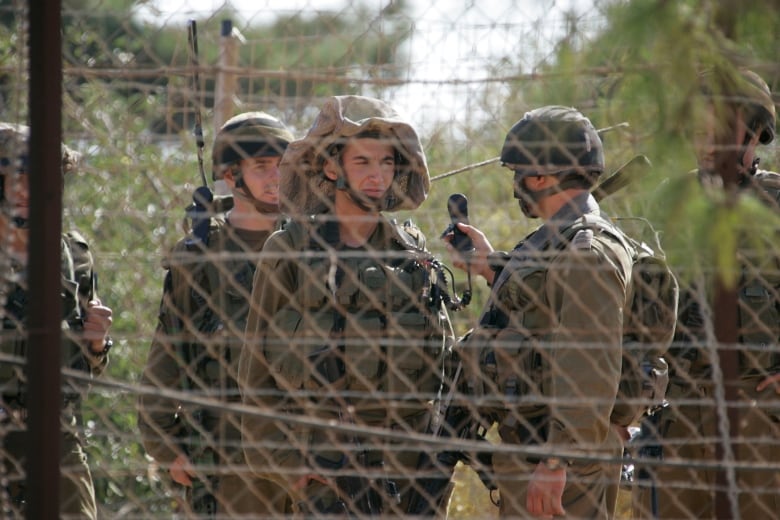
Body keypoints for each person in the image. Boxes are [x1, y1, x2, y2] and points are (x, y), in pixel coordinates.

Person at [239, 95, 456, 516]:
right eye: (363, 163)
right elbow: (256, 374)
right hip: (329, 472)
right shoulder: (288, 252)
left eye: (387, 163)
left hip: (413, 473)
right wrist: (287, 466)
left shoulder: (412, 253)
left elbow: (445, 360)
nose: (378, 176)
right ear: (331, 166)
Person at [445, 106, 635, 518]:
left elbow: (590, 360)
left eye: (518, 174)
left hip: (559, 459)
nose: (515, 187)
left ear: (540, 178)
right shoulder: (559, 239)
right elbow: (542, 311)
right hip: (541, 449)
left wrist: (556, 461)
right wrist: (487, 266)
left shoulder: (588, 251)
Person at [632, 69, 780, 519]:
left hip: (762, 416)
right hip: (679, 413)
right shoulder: (669, 201)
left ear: (755, 132)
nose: (705, 140)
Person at [136, 112, 295, 517]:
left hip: (309, 448)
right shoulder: (202, 256)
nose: (276, 177)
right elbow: (167, 352)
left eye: (283, 166)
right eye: (262, 167)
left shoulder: (312, 245)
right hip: (229, 453)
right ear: (231, 174)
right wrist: (166, 446)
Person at [0, 122, 114, 519]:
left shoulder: (73, 255)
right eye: (19, 179)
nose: (31, 192)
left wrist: (98, 343)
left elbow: (88, 368)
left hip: (57, 436)